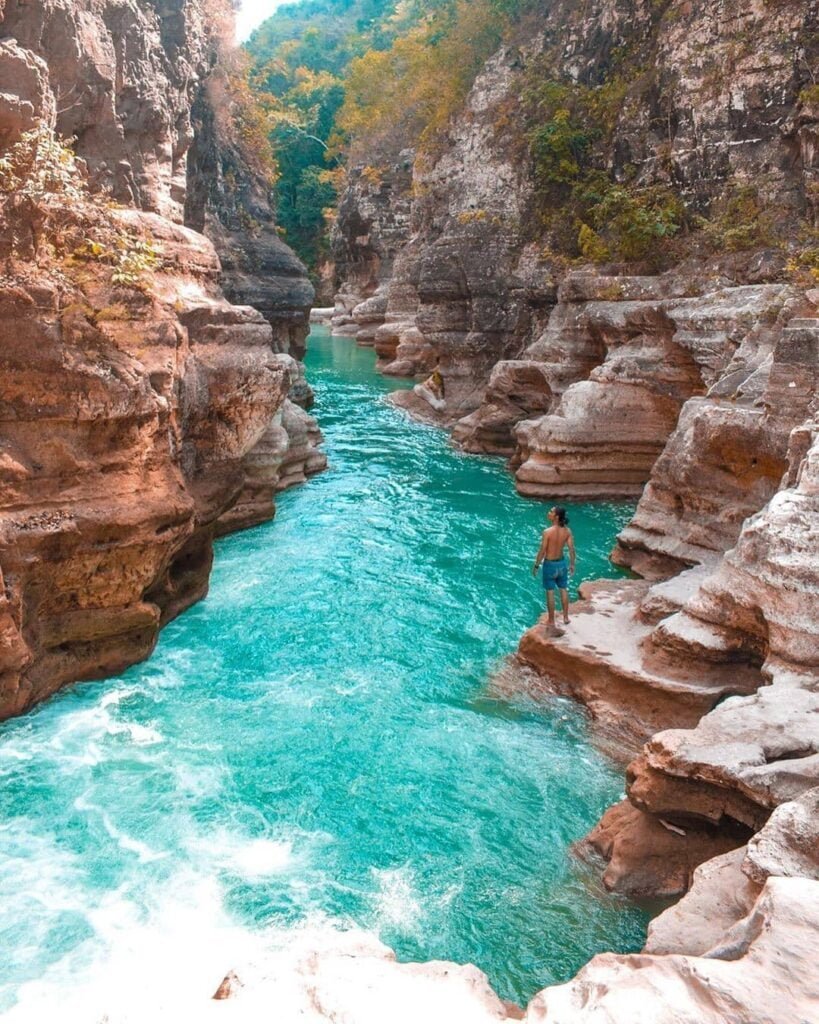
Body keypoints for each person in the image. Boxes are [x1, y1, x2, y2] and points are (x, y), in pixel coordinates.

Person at [531, 505, 576, 636]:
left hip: (550, 565)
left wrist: (536, 565)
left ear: (556, 517)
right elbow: (572, 549)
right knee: (563, 589)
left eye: (551, 511)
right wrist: (572, 564)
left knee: (550, 592)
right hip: (561, 564)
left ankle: (551, 620)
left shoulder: (547, 532)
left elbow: (542, 550)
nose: (548, 512)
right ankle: (566, 617)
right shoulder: (567, 531)